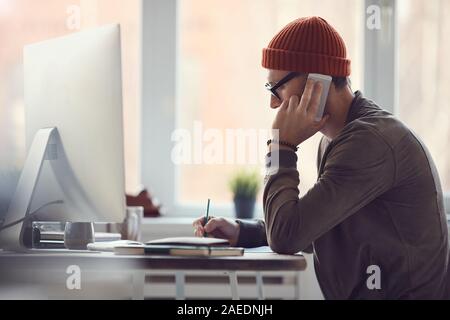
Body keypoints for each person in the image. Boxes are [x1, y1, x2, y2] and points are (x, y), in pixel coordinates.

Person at [193, 16, 449, 299]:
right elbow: (313, 225)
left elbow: (287, 237)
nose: (273, 103)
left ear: (318, 80)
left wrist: (281, 145)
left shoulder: (369, 142)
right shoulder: (335, 140)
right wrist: (242, 232)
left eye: (277, 88)